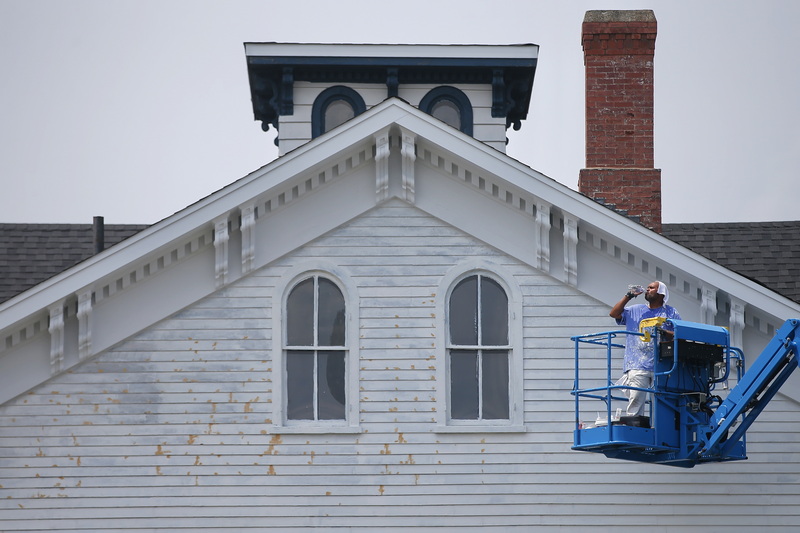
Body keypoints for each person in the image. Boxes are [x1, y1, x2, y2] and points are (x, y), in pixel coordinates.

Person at [609, 281, 681, 417]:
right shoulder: (636, 310)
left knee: (661, 402)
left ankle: (657, 430)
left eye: (652, 288)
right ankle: (635, 427)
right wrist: (628, 296)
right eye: (647, 288)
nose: (648, 289)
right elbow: (614, 313)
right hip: (637, 364)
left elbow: (680, 333)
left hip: (662, 365)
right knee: (635, 399)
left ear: (661, 293)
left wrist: (665, 333)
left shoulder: (670, 312)